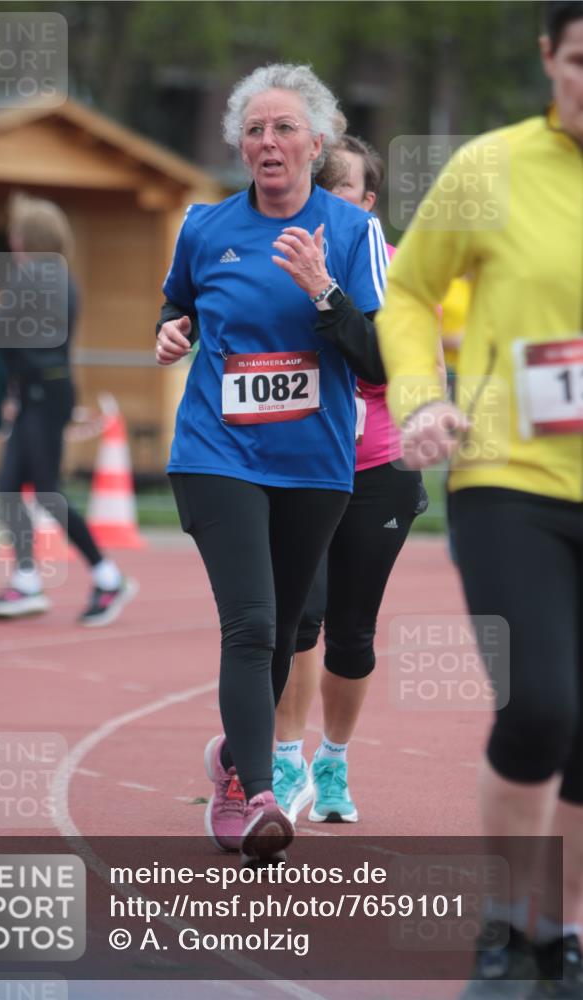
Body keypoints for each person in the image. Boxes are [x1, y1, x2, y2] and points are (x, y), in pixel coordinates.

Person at [377, 2, 583, 996]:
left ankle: (561, 933)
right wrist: (420, 398)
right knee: (539, 703)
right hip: (508, 476)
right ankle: (502, 928)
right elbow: (408, 292)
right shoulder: (488, 167)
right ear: (548, 57)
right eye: (581, 60)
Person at [155, 64, 388, 864]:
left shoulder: (350, 233)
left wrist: (324, 290)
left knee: (286, 631)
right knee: (251, 625)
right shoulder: (204, 227)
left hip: (313, 465)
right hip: (216, 453)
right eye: (253, 129)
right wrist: (172, 330)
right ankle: (251, 794)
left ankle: (237, 749)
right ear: (239, 145)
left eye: (283, 127)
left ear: (316, 143)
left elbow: (378, 363)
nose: (267, 141)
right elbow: (179, 302)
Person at [272, 137, 431, 825]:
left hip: (377, 467)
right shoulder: (274, 263)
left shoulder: (395, 270)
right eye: (320, 187)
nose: (327, 205)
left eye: (342, 191)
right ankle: (285, 760)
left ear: (366, 204)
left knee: (352, 631)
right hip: (300, 466)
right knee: (295, 619)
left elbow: (393, 367)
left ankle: (332, 760)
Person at [0, 192, 137, 627]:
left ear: (27, 238)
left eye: (18, 232)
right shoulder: (54, 277)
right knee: (11, 488)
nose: (13, 239)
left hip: (44, 394)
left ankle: (107, 576)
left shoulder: (36, 277)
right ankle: (28, 580)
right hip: (38, 394)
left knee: (45, 492)